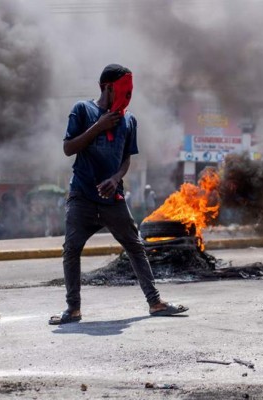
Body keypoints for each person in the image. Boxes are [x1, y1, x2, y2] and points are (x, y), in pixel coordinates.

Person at [50, 64, 187, 325]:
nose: (128, 95)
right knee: (71, 249)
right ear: (107, 87)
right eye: (123, 89)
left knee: (135, 247)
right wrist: (98, 127)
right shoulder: (82, 110)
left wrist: (115, 179)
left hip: (113, 199)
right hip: (82, 195)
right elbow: (68, 148)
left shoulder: (129, 120)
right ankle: (73, 309)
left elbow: (125, 160)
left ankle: (155, 303)